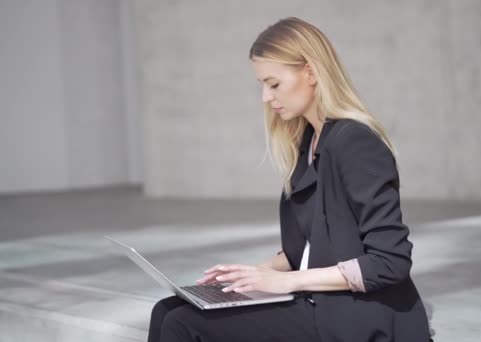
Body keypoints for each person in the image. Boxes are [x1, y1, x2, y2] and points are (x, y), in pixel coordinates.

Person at [147, 16, 432, 342]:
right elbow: (310, 247)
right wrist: (248, 276)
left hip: (357, 315)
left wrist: (287, 281)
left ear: (310, 72)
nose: (266, 98)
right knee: (166, 310)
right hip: (316, 300)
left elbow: (390, 261)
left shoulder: (355, 142)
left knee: (182, 324)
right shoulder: (309, 142)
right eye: (262, 86)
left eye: (274, 83)